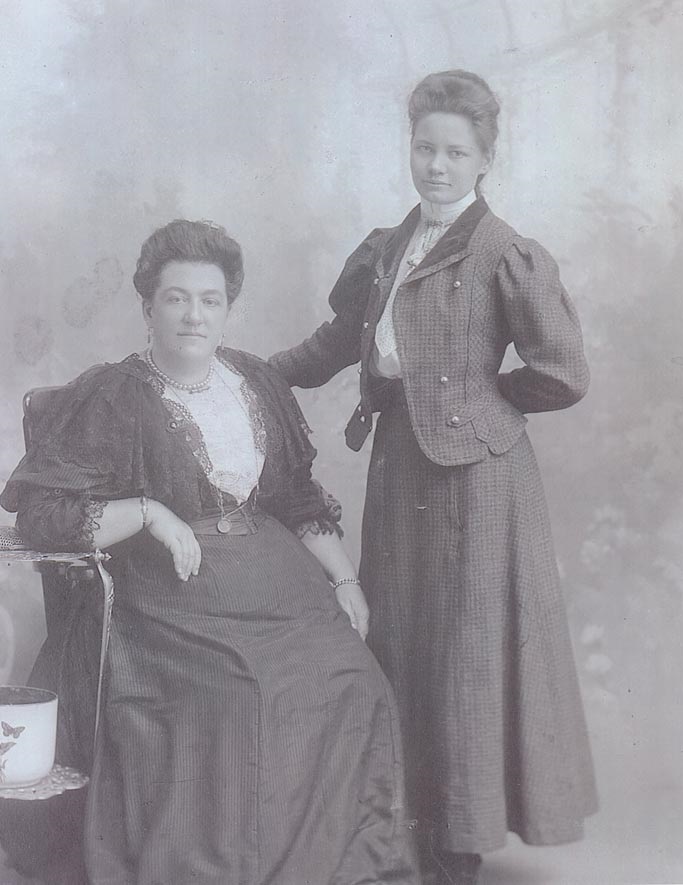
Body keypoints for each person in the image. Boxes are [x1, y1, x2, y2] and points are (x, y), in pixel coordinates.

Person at [0, 220, 419, 885]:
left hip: (276, 583)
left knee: (352, 679)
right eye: (176, 297)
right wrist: (149, 512)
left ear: (227, 309)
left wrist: (343, 579)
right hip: (168, 594)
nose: (194, 313)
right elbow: (45, 514)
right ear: (147, 308)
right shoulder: (113, 395)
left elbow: (297, 499)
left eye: (210, 299)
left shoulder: (256, 382)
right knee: (237, 691)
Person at [270, 70, 598, 885]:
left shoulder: (504, 253)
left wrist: (486, 405)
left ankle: (457, 845)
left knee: (464, 657)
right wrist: (259, 374)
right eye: (425, 147)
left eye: (456, 151)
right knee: (403, 642)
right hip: (402, 472)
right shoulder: (389, 245)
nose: (437, 165)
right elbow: (340, 339)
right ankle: (403, 830)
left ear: (486, 158)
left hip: (478, 486)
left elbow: (562, 372)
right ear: (409, 148)